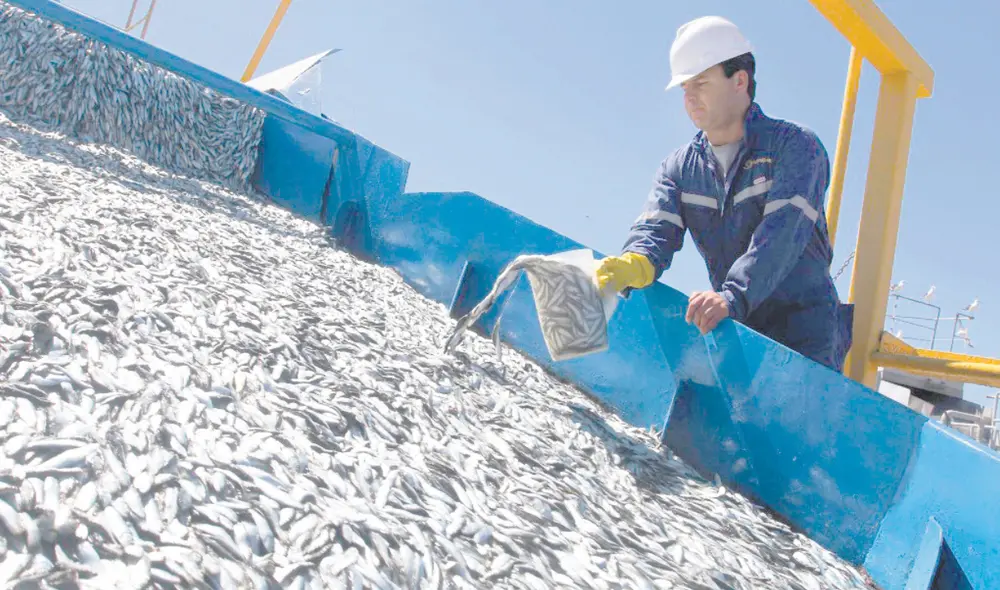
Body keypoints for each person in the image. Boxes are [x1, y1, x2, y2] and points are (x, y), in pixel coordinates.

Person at [594, 15, 853, 372]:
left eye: (700, 83)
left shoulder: (795, 147)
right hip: (739, 328)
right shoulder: (680, 168)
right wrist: (634, 262)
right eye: (684, 87)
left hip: (805, 336)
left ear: (739, 81)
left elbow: (782, 235)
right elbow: (656, 233)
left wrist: (732, 295)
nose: (689, 97)